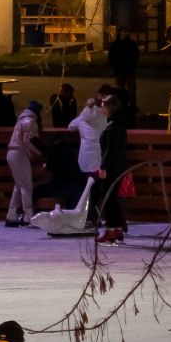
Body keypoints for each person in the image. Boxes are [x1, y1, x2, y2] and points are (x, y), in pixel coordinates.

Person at [94, 92, 131, 243]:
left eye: (103, 107)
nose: (102, 110)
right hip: (118, 166)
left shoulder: (113, 126)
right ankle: (117, 229)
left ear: (111, 108)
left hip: (113, 168)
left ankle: (111, 229)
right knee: (113, 198)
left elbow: (111, 149)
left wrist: (103, 168)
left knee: (108, 198)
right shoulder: (118, 124)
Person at [68, 94, 108, 224]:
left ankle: (85, 216)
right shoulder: (103, 117)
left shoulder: (82, 118)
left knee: (85, 188)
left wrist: (81, 117)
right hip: (98, 156)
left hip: (84, 158)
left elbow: (70, 127)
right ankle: (96, 214)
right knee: (96, 188)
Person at [5, 102, 44, 227]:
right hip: (19, 154)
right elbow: (27, 141)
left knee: (19, 186)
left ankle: (11, 215)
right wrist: (40, 152)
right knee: (27, 186)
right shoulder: (30, 121)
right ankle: (28, 217)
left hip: (12, 153)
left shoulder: (21, 119)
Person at [107, 26, 140, 105]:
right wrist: (115, 66)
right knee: (120, 90)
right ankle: (121, 106)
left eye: (126, 31)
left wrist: (132, 65)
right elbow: (111, 56)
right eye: (123, 31)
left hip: (129, 71)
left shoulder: (132, 44)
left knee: (132, 90)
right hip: (119, 71)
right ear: (120, 33)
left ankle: (133, 106)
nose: (125, 33)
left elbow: (136, 56)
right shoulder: (115, 44)